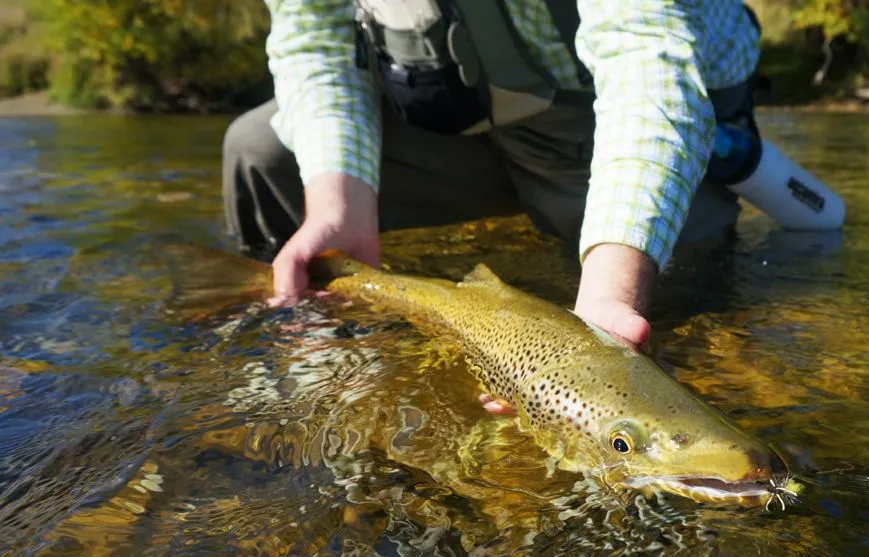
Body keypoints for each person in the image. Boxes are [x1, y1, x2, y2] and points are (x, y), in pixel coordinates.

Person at [222, 0, 763, 353]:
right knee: (260, 152)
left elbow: (647, 63)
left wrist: (612, 293)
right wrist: (338, 209)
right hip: (450, 115)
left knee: (682, 304)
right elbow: (316, 44)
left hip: (606, 107)